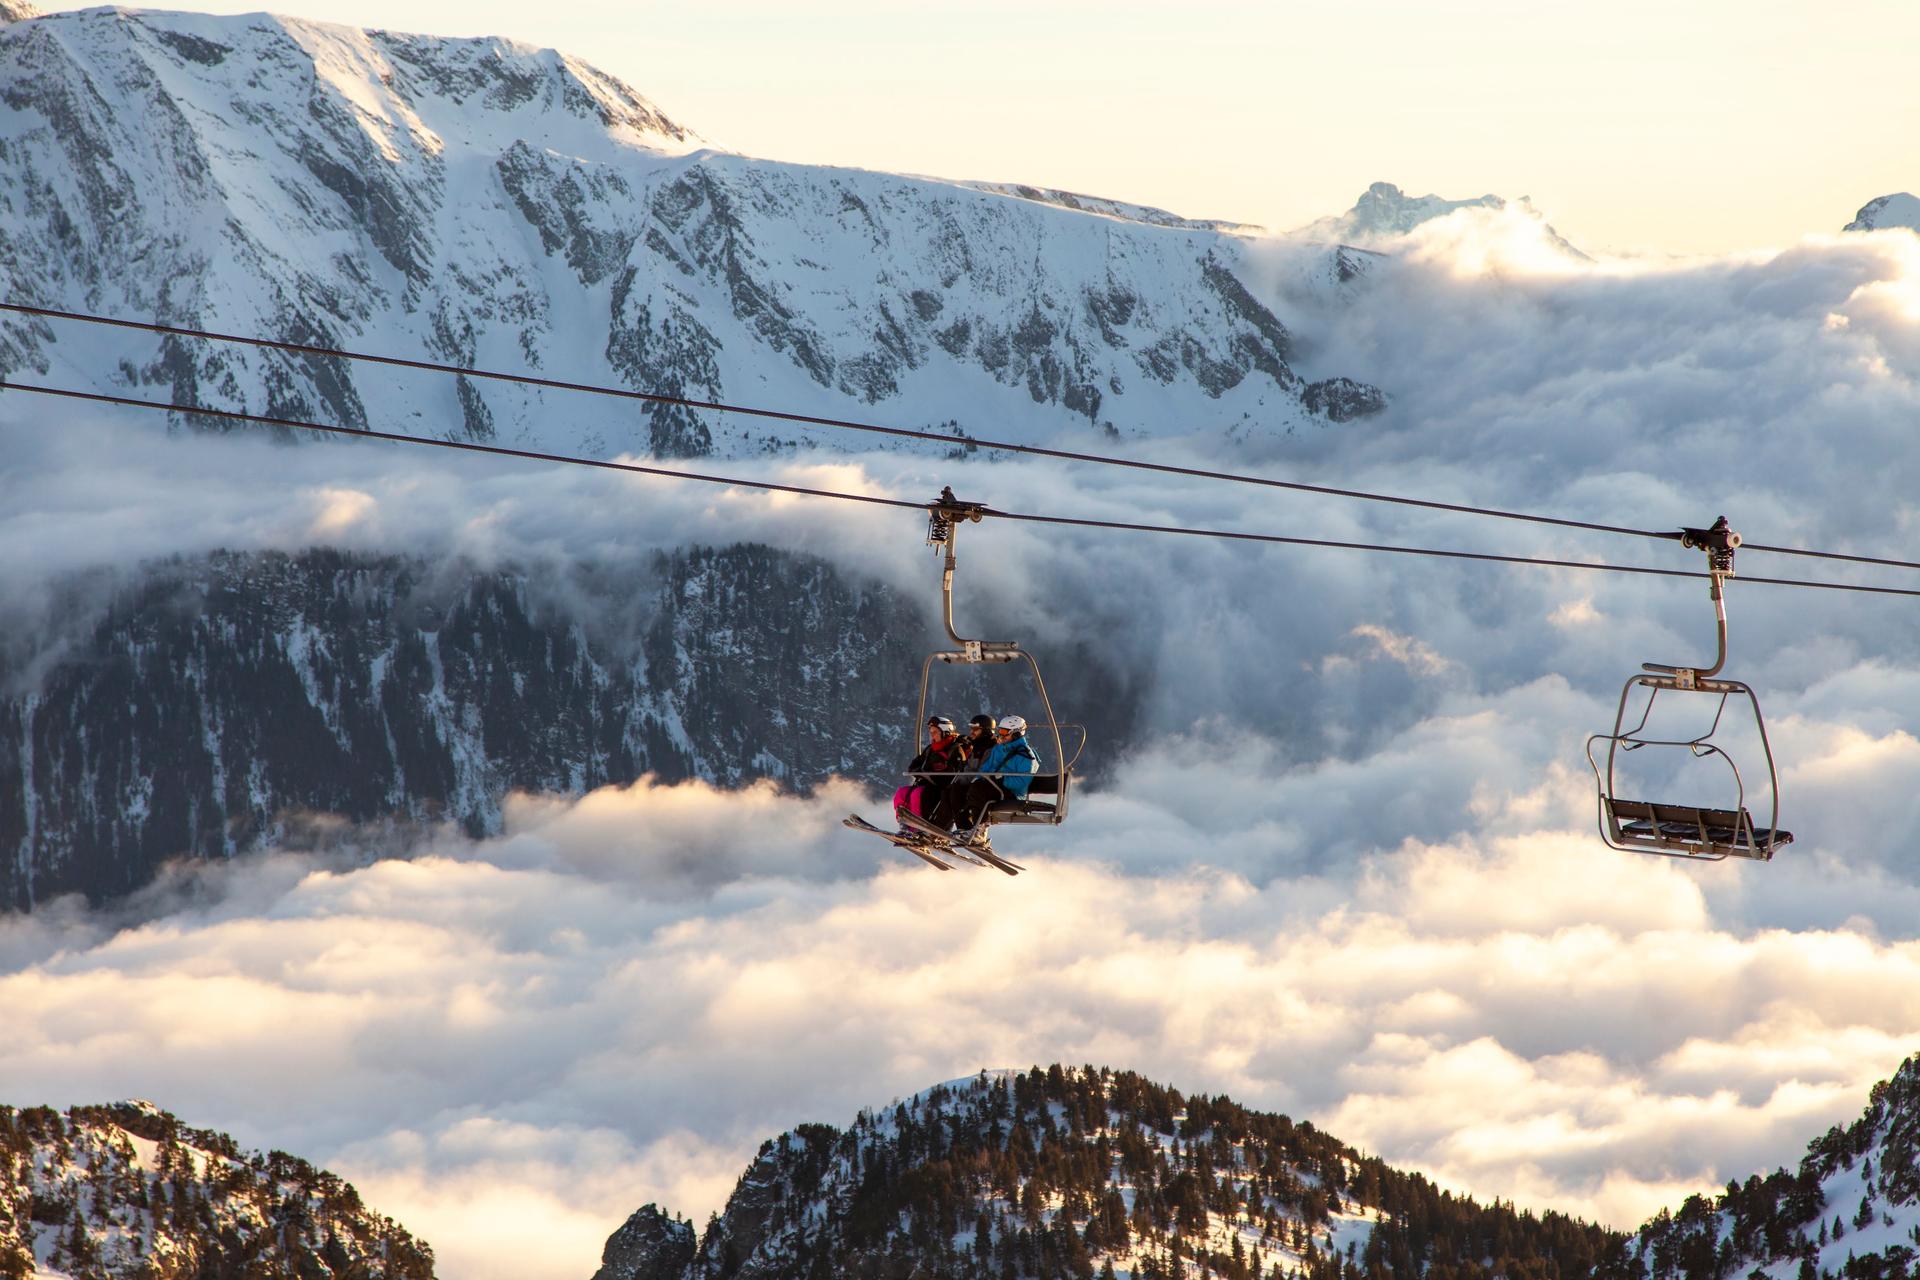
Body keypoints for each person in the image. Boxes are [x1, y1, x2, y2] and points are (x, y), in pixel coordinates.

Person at [946, 714, 1041, 845]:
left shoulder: (1026, 755)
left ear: (1016, 734)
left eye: (1004, 732)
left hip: (1011, 792)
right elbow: (986, 768)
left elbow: (1022, 783)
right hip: (994, 786)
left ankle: (980, 831)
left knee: (980, 789)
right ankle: (965, 829)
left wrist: (1000, 779)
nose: (1001, 735)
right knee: (958, 789)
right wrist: (980, 778)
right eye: (1000, 731)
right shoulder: (998, 749)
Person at [894, 716, 964, 833]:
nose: (932, 735)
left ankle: (918, 828)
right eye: (931, 732)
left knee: (917, 793)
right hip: (926, 784)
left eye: (935, 732)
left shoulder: (955, 750)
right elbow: (914, 765)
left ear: (945, 732)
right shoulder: (930, 749)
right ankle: (905, 825)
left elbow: (954, 774)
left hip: (940, 788)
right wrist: (919, 772)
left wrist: (933, 776)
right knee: (902, 793)